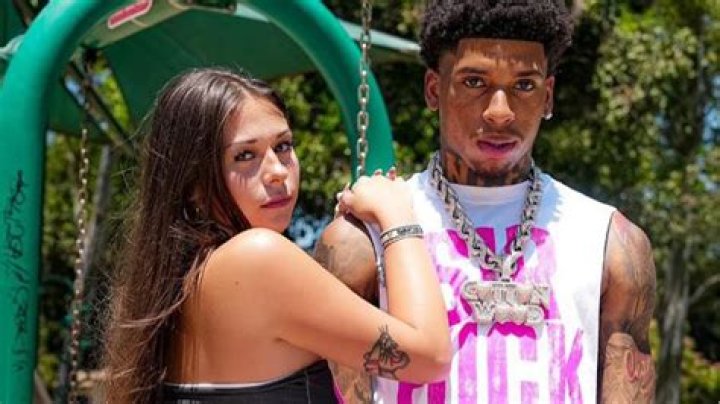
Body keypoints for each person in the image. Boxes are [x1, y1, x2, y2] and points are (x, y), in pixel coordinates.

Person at [316, 1, 656, 403]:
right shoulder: (364, 238)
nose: (500, 112)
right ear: (433, 90)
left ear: (548, 97)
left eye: (524, 86)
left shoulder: (610, 243)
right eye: (474, 81)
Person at [102, 68, 452, 404]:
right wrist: (397, 216)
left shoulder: (178, 284)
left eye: (283, 146)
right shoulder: (256, 257)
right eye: (245, 155)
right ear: (193, 183)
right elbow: (430, 357)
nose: (276, 171)